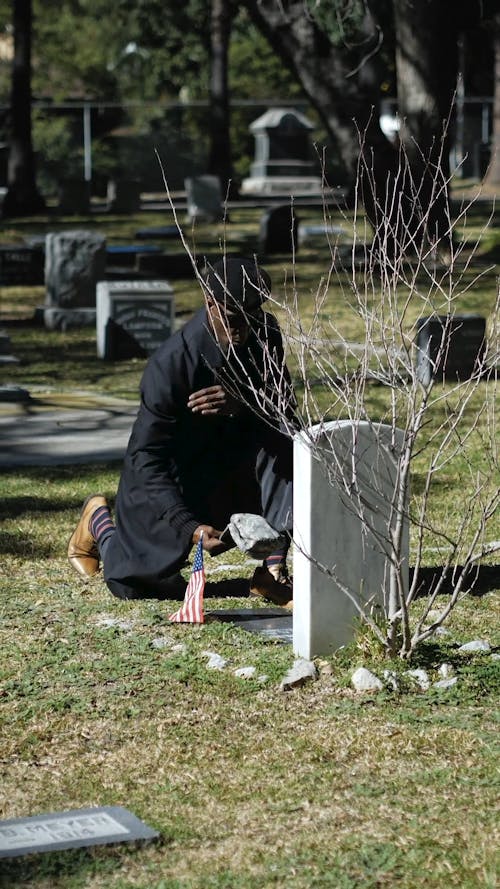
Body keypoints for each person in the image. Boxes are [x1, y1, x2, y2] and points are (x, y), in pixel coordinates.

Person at [68, 256, 295, 606]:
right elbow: (146, 458)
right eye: (235, 319)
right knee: (132, 584)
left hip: (234, 467)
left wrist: (243, 401)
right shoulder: (172, 364)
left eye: (253, 317)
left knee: (286, 444)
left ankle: (272, 572)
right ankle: (98, 522)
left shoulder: (266, 333)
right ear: (211, 304)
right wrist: (188, 527)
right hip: (177, 476)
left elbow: (286, 408)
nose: (244, 330)